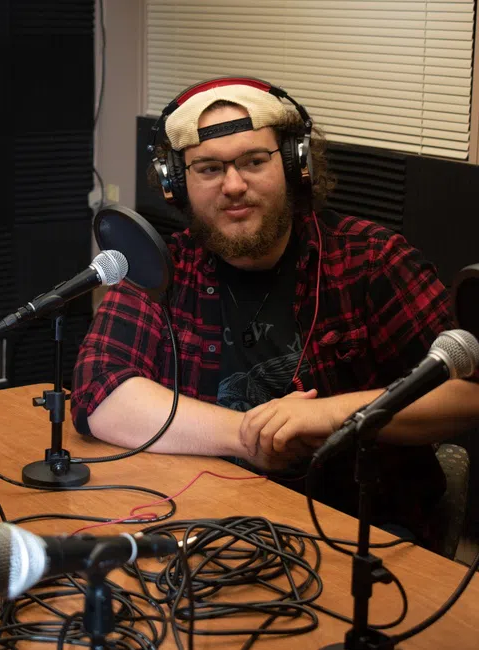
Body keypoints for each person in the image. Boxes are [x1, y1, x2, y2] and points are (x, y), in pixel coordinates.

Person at [71, 77, 479, 548]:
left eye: (254, 161)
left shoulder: (371, 260)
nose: (234, 185)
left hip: (360, 532)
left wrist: (328, 416)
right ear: (176, 185)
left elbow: (467, 394)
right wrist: (251, 437)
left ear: (295, 165)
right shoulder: (163, 269)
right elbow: (99, 391)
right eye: (207, 168)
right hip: (205, 522)